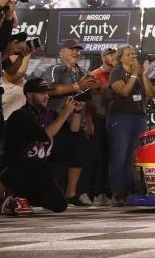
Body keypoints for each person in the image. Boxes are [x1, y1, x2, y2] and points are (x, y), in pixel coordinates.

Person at [0, 78, 85, 215]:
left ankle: (26, 199)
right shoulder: (20, 115)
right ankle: (14, 197)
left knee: (60, 205)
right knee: (50, 169)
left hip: (37, 172)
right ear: (29, 95)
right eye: (41, 93)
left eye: (47, 93)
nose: (46, 96)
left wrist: (76, 112)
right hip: (15, 170)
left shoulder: (50, 114)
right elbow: (44, 135)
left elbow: (74, 131)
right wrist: (65, 113)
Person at [42, 38, 98, 207]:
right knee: (55, 156)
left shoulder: (83, 72)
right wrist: (76, 86)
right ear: (61, 52)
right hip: (56, 118)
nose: (76, 52)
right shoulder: (55, 69)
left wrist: (88, 119)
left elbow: (88, 97)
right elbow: (49, 89)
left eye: (78, 50)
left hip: (76, 119)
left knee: (78, 154)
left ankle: (71, 194)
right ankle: (50, 193)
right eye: (72, 49)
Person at [107, 45, 155, 206]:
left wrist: (144, 75)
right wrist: (134, 74)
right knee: (119, 156)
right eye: (128, 54)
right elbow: (123, 92)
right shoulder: (117, 72)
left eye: (134, 54)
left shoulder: (139, 74)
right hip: (121, 117)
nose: (133, 56)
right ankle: (117, 192)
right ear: (120, 57)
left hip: (138, 118)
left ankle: (129, 190)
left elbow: (149, 94)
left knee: (133, 156)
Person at [82, 46, 116, 207]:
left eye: (115, 55)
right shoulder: (95, 74)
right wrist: (88, 120)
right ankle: (90, 192)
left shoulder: (116, 74)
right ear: (103, 57)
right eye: (111, 55)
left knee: (108, 156)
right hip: (98, 118)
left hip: (111, 119)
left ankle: (104, 192)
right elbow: (88, 99)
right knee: (95, 156)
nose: (114, 57)